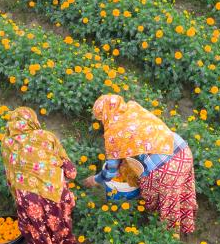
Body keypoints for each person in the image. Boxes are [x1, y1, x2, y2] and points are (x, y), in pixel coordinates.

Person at [83, 94, 197, 235]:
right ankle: (186, 223)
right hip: (182, 150)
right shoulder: (134, 108)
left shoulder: (114, 133)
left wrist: (95, 179)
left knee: (165, 201)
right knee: (179, 191)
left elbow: (111, 171)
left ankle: (169, 238)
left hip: (166, 169)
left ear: (104, 115)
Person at [1, 107, 81, 244]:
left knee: (41, 237)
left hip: (30, 202)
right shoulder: (46, 136)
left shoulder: (7, 143)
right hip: (56, 195)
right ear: (33, 120)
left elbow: (10, 176)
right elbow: (71, 172)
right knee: (59, 225)